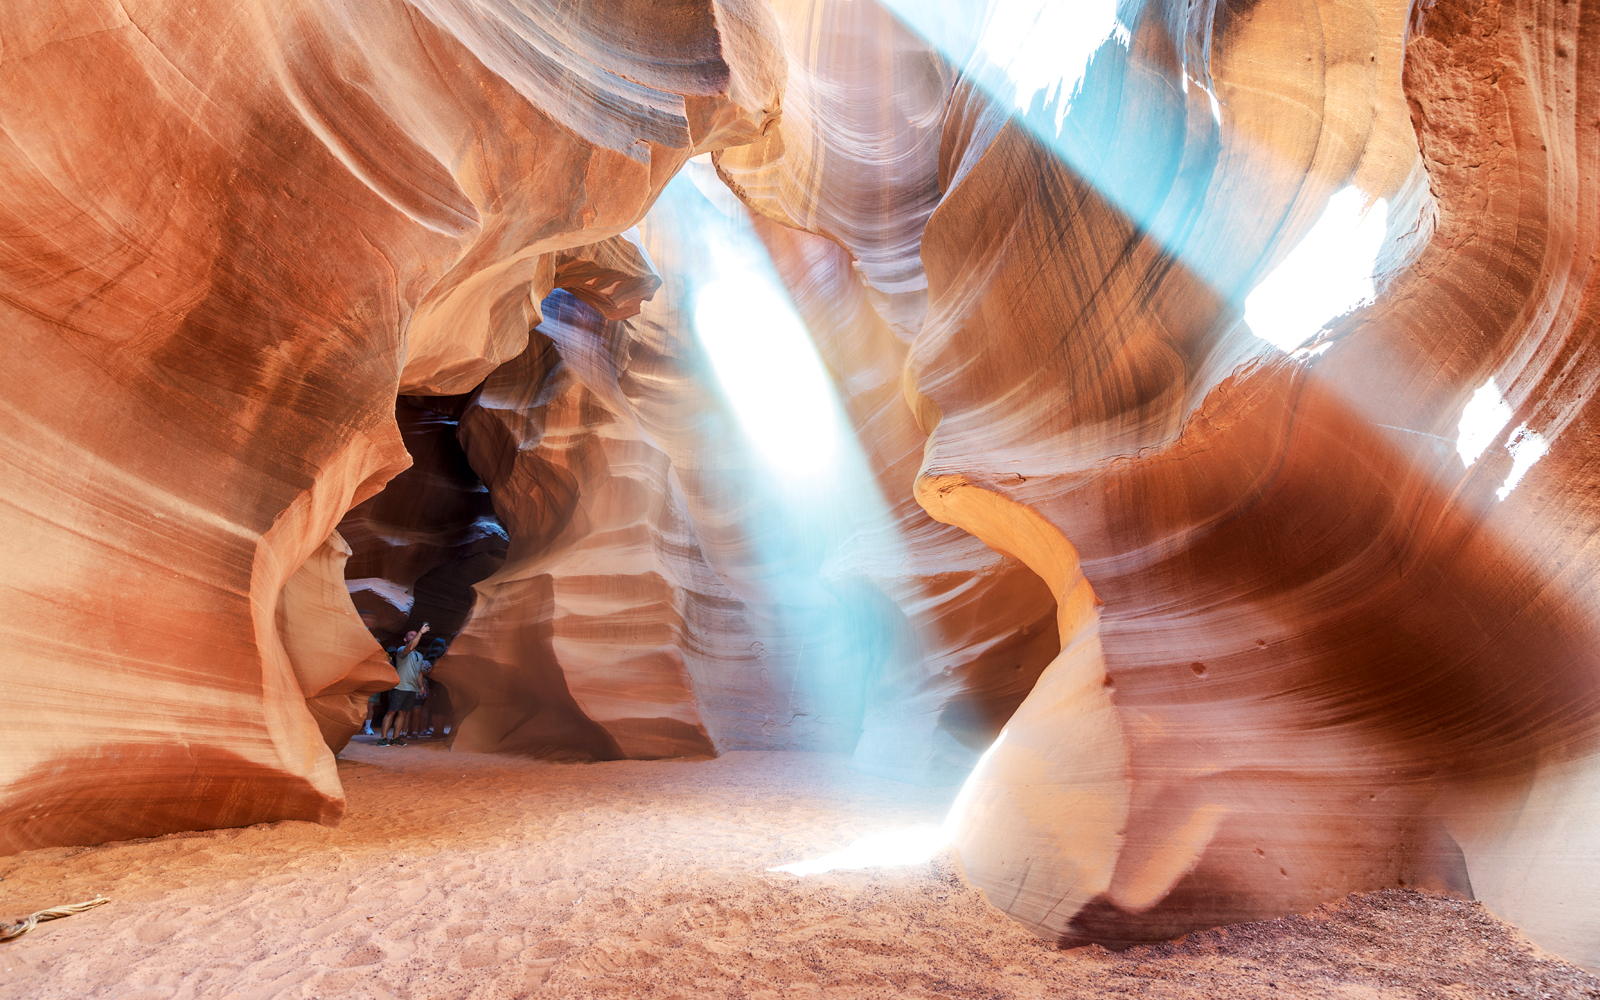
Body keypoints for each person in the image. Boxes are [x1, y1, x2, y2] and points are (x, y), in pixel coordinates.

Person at [378, 624, 429, 747]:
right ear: (405, 639)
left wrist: (421, 687)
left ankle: (396, 738)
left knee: (403, 713)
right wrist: (421, 632)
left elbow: (419, 673)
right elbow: (410, 647)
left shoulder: (420, 656)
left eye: (415, 634)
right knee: (392, 712)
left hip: (412, 689)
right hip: (400, 687)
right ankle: (383, 738)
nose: (415, 635)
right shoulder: (402, 650)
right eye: (412, 634)